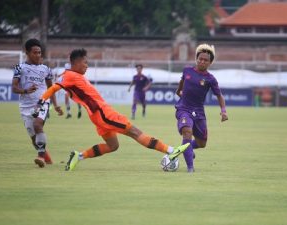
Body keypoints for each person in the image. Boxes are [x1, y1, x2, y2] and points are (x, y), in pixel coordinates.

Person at [33, 48, 189, 171]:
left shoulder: (68, 75)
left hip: (97, 115)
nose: (87, 66)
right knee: (135, 132)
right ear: (76, 62)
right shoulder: (69, 76)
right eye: (85, 63)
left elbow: (57, 85)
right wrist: (41, 100)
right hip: (103, 113)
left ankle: (78, 156)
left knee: (113, 146)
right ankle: (171, 150)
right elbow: (53, 88)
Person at [175, 43, 228, 173]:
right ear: (196, 59)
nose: (202, 61)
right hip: (184, 109)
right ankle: (190, 168)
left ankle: (186, 149)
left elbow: (219, 96)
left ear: (210, 63)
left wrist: (223, 111)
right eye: (200, 59)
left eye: (206, 60)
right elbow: (181, 84)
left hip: (198, 112)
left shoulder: (210, 79)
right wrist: (179, 92)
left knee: (202, 143)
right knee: (187, 132)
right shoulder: (187, 71)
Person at [12, 38, 64, 168]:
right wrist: (25, 90)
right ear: (27, 53)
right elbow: (14, 88)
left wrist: (56, 105)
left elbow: (51, 89)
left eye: (39, 52)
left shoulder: (46, 69)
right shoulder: (20, 68)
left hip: (41, 103)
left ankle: (40, 157)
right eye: (35, 52)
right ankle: (47, 158)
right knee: (33, 137)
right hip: (25, 106)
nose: (38, 55)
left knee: (37, 125)